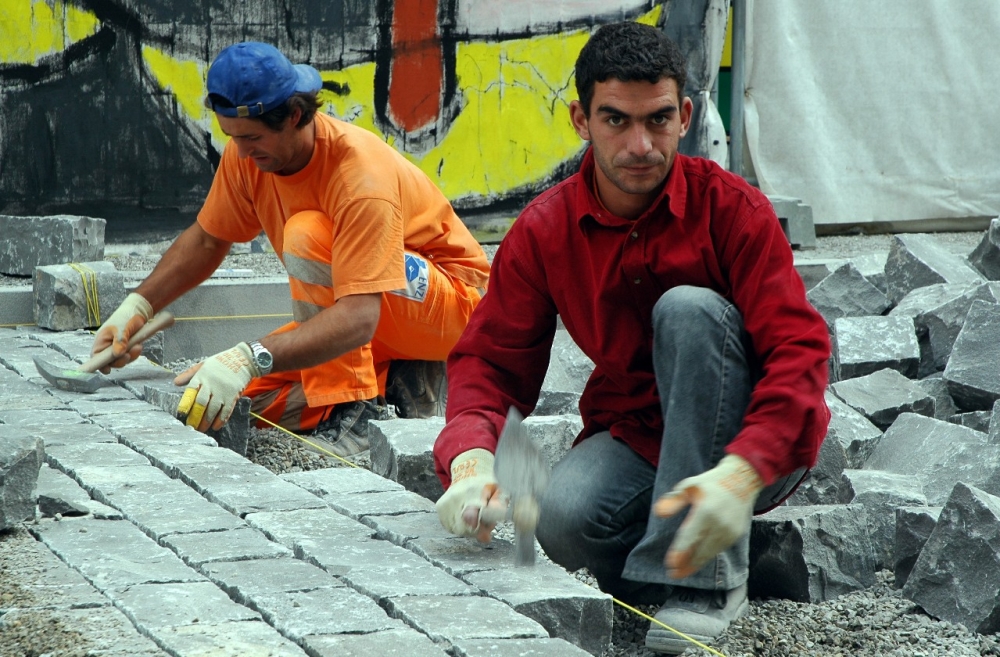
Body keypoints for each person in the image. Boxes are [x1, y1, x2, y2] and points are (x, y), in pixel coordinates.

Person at [432, 21, 830, 655]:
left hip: (748, 438)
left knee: (689, 310)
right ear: (580, 120)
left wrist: (744, 471)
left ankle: (705, 582)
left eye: (659, 120)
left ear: (686, 116)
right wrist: (471, 459)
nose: (640, 144)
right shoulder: (544, 231)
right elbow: (490, 362)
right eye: (616, 120)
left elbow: (800, 350)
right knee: (562, 519)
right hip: (640, 431)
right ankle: (672, 552)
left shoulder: (732, 210)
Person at [91, 42, 490, 456]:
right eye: (232, 137)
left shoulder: (359, 179)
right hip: (373, 310)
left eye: (251, 138)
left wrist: (251, 356)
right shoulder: (248, 154)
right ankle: (393, 380)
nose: (241, 152)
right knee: (210, 395)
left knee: (308, 237)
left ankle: (355, 412)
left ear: (295, 116)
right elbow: (208, 239)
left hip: (452, 308)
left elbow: (358, 318)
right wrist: (136, 308)